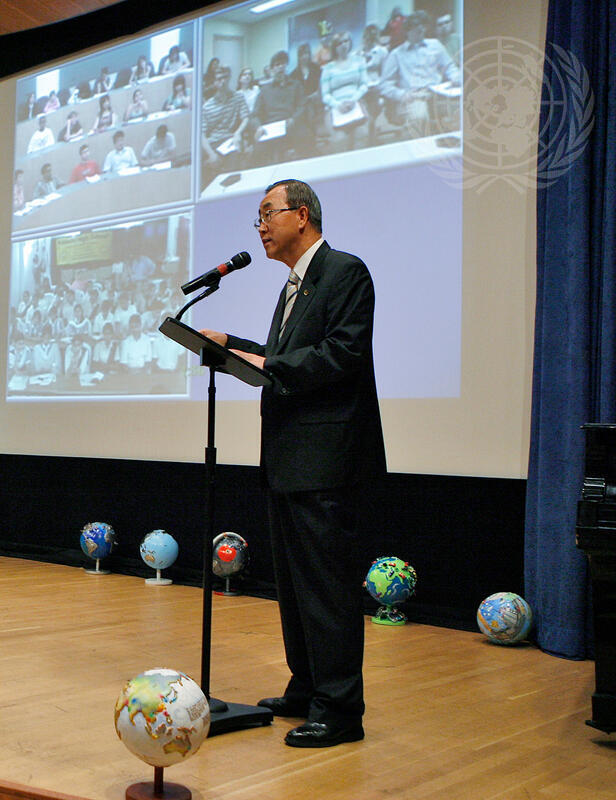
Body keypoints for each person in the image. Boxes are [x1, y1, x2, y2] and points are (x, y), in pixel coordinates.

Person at [200, 179, 385, 748]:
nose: (260, 226)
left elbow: (341, 354)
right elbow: (283, 358)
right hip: (288, 461)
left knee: (326, 591)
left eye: (267, 214)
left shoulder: (345, 272)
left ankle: (341, 710)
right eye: (257, 217)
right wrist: (232, 343)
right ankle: (306, 688)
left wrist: (265, 361)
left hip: (327, 463)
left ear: (301, 216)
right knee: (296, 588)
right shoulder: (292, 286)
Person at [379, 10, 461, 136]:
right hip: (414, 97)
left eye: (423, 27)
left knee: (461, 109)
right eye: (417, 29)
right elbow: (385, 85)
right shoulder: (396, 54)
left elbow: (449, 67)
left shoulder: (435, 45)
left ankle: (456, 146)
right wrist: (402, 95)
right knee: (419, 117)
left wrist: (455, 77)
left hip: (437, 93)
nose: (421, 30)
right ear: (408, 31)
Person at [320, 32, 368, 151]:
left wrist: (353, 100)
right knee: (340, 140)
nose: (343, 45)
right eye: (339, 43)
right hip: (336, 107)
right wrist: (338, 105)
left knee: (362, 134)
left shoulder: (359, 61)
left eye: (346, 41)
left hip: (356, 102)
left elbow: (364, 85)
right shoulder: (327, 69)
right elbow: (325, 95)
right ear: (335, 47)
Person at [200, 65, 248, 171]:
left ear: (229, 77)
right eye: (219, 79)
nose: (223, 81)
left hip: (230, 139)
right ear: (214, 82)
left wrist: (238, 133)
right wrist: (211, 154)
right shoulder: (207, 106)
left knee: (234, 161)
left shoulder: (238, 97)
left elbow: (245, 118)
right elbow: (201, 134)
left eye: (225, 77)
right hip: (213, 143)